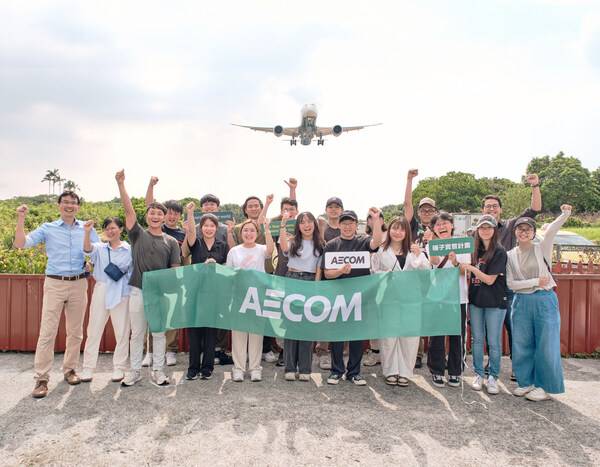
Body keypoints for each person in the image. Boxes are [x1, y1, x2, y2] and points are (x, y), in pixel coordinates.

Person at [14, 191, 100, 398]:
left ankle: (70, 370)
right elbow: (21, 243)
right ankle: (41, 378)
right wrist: (21, 217)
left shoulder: (87, 228)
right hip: (54, 283)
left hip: (79, 282)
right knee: (47, 332)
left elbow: (97, 252)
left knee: (76, 331)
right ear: (59, 205)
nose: (69, 206)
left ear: (78, 206)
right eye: (66, 202)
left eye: (73, 203)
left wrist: (92, 264)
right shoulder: (48, 228)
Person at [116, 170, 181, 387]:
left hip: (159, 295)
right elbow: (128, 209)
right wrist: (121, 184)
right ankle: (134, 371)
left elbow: (174, 270)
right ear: (147, 216)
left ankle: (158, 371)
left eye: (159, 213)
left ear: (164, 218)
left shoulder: (171, 241)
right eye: (151, 212)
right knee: (137, 334)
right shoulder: (137, 235)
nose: (155, 216)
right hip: (137, 290)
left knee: (159, 334)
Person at [507, 204, 571, 401]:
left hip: (544, 300)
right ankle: (525, 382)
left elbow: (551, 230)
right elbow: (511, 284)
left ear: (534, 232)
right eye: (520, 229)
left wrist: (565, 214)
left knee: (546, 344)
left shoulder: (541, 248)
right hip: (520, 302)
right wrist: (534, 281)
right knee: (521, 343)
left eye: (528, 229)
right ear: (515, 232)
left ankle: (544, 386)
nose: (524, 232)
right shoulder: (510, 255)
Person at [481, 173, 542, 379]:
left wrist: (535, 186)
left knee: (515, 327)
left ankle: (519, 366)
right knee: (491, 331)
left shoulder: (510, 225)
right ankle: (492, 363)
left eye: (494, 206)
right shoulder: (478, 231)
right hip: (488, 286)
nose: (491, 209)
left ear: (500, 209)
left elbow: (534, 210)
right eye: (487, 206)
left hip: (510, 286)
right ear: (483, 210)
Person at [323, 208, 384, 386]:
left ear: (356, 225)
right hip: (339, 297)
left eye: (351, 223)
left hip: (360, 297)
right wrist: (340, 271)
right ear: (339, 225)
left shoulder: (363, 241)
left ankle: (354, 372)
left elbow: (377, 242)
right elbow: (327, 274)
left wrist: (376, 220)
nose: (347, 226)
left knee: (357, 336)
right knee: (337, 337)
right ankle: (336, 371)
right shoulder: (331, 245)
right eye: (344, 223)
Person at [371, 216, 430, 387]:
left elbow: (427, 271)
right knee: (389, 335)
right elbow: (373, 272)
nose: (398, 232)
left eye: (402, 229)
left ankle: (405, 371)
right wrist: (385, 274)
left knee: (409, 336)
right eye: (394, 228)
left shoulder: (414, 250)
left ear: (407, 232)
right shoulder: (381, 251)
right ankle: (390, 370)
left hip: (411, 299)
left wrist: (419, 256)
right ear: (389, 230)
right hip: (389, 298)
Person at [226, 197, 275, 382]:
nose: (248, 233)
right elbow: (229, 275)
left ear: (256, 233)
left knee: (256, 334)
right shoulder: (234, 251)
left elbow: (271, 250)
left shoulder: (262, 249)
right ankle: (238, 367)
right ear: (241, 233)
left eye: (252, 230)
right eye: (245, 230)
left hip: (257, 296)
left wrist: (268, 229)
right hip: (239, 296)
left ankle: (255, 367)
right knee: (238, 334)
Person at [80, 217, 132, 383]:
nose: (110, 231)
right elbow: (87, 249)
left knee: (122, 331)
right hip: (102, 288)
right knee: (94, 328)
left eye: (114, 227)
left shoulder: (129, 249)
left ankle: (119, 367)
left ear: (121, 229)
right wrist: (87, 232)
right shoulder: (100, 248)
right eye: (107, 228)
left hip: (122, 290)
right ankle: (88, 368)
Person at [459, 215, 507, 395]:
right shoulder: (474, 250)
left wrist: (470, 268)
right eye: (482, 227)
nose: (485, 230)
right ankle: (478, 374)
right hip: (476, 301)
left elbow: (488, 279)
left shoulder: (500, 252)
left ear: (494, 230)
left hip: (495, 302)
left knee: (494, 341)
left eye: (489, 227)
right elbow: (461, 270)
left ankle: (493, 376)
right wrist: (457, 262)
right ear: (477, 230)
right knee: (477, 340)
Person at [183, 204, 229, 380]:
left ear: (216, 228)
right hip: (195, 292)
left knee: (210, 332)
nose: (208, 228)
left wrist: (217, 265)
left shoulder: (222, 245)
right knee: (194, 331)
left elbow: (228, 267)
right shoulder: (196, 242)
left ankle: (207, 367)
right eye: (205, 225)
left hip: (214, 293)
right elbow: (191, 237)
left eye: (212, 225)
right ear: (200, 228)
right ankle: (193, 368)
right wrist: (190, 212)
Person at [144, 176, 186, 367]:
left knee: (171, 316)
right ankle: (151, 352)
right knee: (153, 316)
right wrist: (151, 185)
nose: (172, 216)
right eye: (169, 212)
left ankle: (170, 350)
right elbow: (150, 205)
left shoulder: (182, 234)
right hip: (152, 279)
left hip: (173, 279)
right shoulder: (155, 229)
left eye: (176, 213)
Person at [279, 211, 323, 382]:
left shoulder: (321, 244)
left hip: (311, 282)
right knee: (291, 325)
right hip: (293, 280)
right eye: (302, 222)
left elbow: (319, 269)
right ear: (298, 226)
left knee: (306, 328)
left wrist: (316, 289)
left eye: (309, 221)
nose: (306, 225)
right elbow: (283, 247)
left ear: (314, 224)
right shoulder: (293, 242)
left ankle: (305, 368)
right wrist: (283, 225)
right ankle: (290, 367)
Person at [427, 212, 469, 388]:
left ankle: (455, 371)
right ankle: (436, 371)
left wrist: (455, 261)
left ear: (452, 225)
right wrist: (430, 243)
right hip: (438, 297)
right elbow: (434, 262)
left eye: (445, 223)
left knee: (457, 336)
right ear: (434, 229)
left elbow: (464, 271)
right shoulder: (432, 244)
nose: (442, 227)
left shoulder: (463, 244)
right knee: (437, 335)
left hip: (458, 297)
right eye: (438, 225)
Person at [404, 168, 437, 368]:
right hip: (414, 280)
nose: (426, 213)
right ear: (418, 213)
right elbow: (407, 203)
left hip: (434, 279)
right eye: (423, 210)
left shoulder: (440, 227)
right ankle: (415, 353)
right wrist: (409, 180)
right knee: (414, 315)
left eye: (430, 210)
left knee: (431, 316)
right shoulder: (413, 227)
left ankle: (432, 354)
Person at [315, 196, 344, 370]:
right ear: (326, 209)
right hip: (326, 278)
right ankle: (323, 352)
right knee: (325, 316)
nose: (333, 210)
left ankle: (339, 354)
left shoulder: (347, 228)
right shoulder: (322, 228)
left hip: (345, 280)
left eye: (337, 207)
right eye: (330, 207)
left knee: (341, 317)